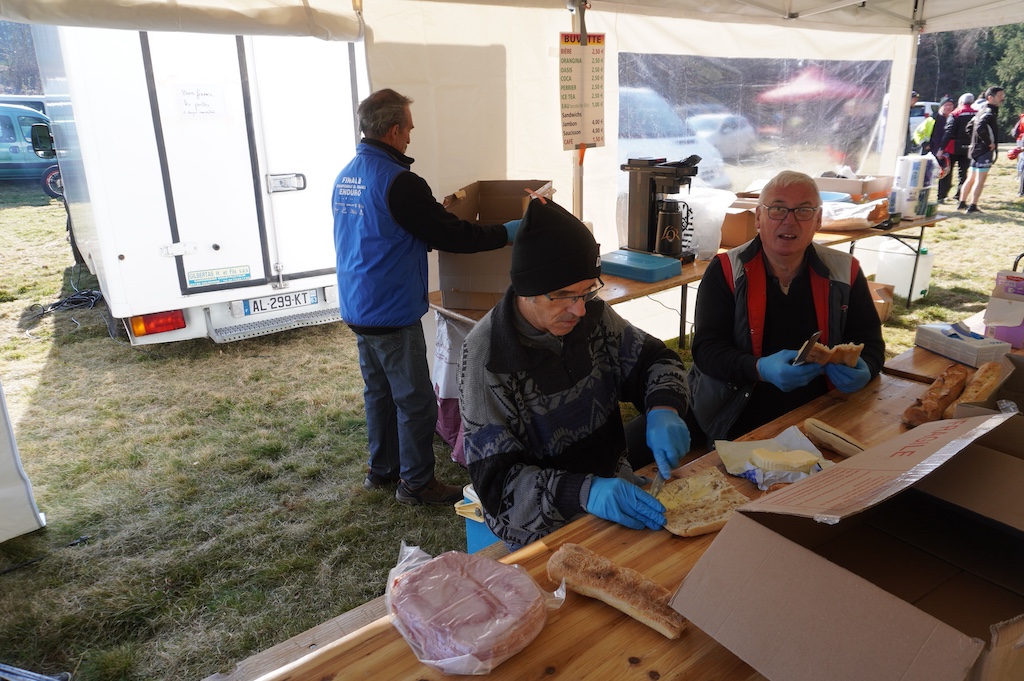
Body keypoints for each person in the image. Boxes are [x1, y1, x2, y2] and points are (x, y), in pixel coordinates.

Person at [458, 198, 691, 551]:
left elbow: (655, 360)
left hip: (618, 494)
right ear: (527, 291)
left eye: (587, 291)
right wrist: (585, 492)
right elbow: (499, 489)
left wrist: (664, 408)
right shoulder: (487, 357)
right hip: (545, 535)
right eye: (565, 296)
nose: (579, 309)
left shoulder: (591, 315)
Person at [332, 88, 521, 506]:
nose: (410, 138)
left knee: (379, 393)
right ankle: (416, 484)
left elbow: (386, 228)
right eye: (409, 130)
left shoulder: (348, 174)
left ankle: (382, 470)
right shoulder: (400, 182)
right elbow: (449, 234)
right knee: (416, 401)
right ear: (393, 130)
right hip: (389, 309)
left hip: (358, 301)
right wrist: (505, 233)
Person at [687, 170, 885, 443]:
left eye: (803, 210)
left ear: (818, 219)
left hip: (824, 411)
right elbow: (706, 351)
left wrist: (866, 367)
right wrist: (759, 368)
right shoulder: (725, 271)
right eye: (778, 209)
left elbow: (871, 343)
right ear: (758, 217)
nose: (789, 221)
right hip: (739, 414)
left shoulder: (845, 271)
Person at [959, 86, 1006, 214]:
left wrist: (975, 141)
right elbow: (979, 128)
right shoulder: (989, 112)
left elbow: (969, 128)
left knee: (971, 177)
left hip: (975, 149)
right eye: (1000, 96)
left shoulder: (981, 110)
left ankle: (962, 203)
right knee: (980, 179)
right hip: (984, 151)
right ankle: (973, 206)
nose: (1002, 98)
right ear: (990, 98)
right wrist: (988, 142)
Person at [938, 93, 977, 207]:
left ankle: (941, 196)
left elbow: (949, 132)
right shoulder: (977, 113)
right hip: (969, 147)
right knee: (963, 173)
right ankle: (960, 196)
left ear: (961, 102)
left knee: (946, 171)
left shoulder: (955, 114)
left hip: (953, 147)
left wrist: (942, 148)